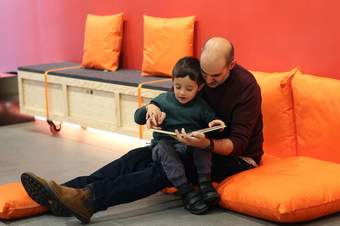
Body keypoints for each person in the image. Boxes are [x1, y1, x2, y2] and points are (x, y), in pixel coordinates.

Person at [20, 37, 263, 224]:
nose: (208, 81)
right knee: (137, 156)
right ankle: (65, 191)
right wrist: (153, 111)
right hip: (188, 144)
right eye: (205, 75)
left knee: (164, 168)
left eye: (215, 76)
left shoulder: (246, 88)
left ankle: (89, 199)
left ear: (232, 64)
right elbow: (173, 99)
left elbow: (238, 144)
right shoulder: (201, 74)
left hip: (234, 158)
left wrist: (206, 144)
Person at [134, 56, 225, 215]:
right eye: (177, 86)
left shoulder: (200, 105)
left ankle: (205, 184)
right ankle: (185, 191)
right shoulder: (163, 100)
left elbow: (213, 124)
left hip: (188, 147)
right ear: (172, 83)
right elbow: (138, 117)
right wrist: (150, 109)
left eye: (189, 89)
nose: (182, 92)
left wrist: (214, 125)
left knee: (201, 144)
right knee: (163, 147)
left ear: (199, 87)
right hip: (164, 148)